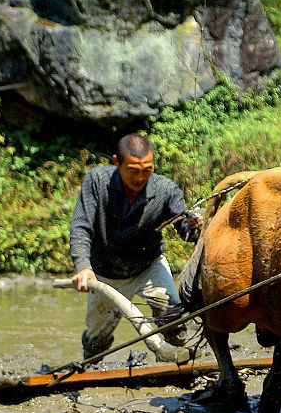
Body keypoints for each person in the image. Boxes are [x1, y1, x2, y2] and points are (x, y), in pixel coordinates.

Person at [69, 133, 201, 361]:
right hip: (105, 274)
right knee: (96, 341)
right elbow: (81, 226)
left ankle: (177, 361)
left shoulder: (165, 190)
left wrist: (196, 226)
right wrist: (83, 266)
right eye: (133, 170)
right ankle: (90, 367)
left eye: (147, 169)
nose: (140, 177)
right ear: (116, 162)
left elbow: (185, 230)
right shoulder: (97, 182)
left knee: (173, 316)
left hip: (148, 267)